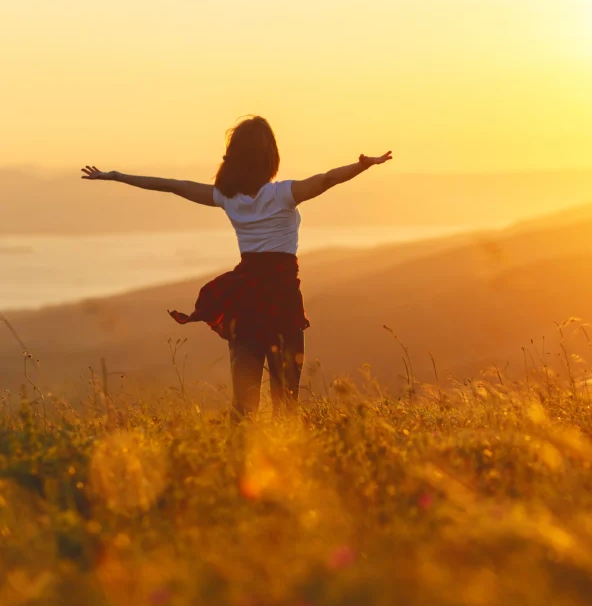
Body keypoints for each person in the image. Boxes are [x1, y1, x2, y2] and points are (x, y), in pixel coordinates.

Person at [81, 115, 393, 418]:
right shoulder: (283, 194)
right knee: (286, 405)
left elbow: (172, 185)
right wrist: (362, 166)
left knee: (244, 408)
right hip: (282, 304)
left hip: (245, 304)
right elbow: (326, 179)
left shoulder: (227, 198)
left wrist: (116, 176)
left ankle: (236, 463)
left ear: (234, 158)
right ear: (270, 157)